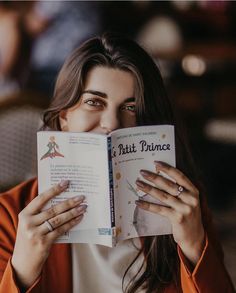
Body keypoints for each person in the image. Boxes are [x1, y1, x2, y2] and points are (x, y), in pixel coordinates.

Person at [0, 33, 234, 293]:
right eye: (93, 102)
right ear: (64, 117)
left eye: (131, 107)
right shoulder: (9, 215)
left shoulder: (183, 206)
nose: (111, 124)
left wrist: (194, 246)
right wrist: (22, 268)